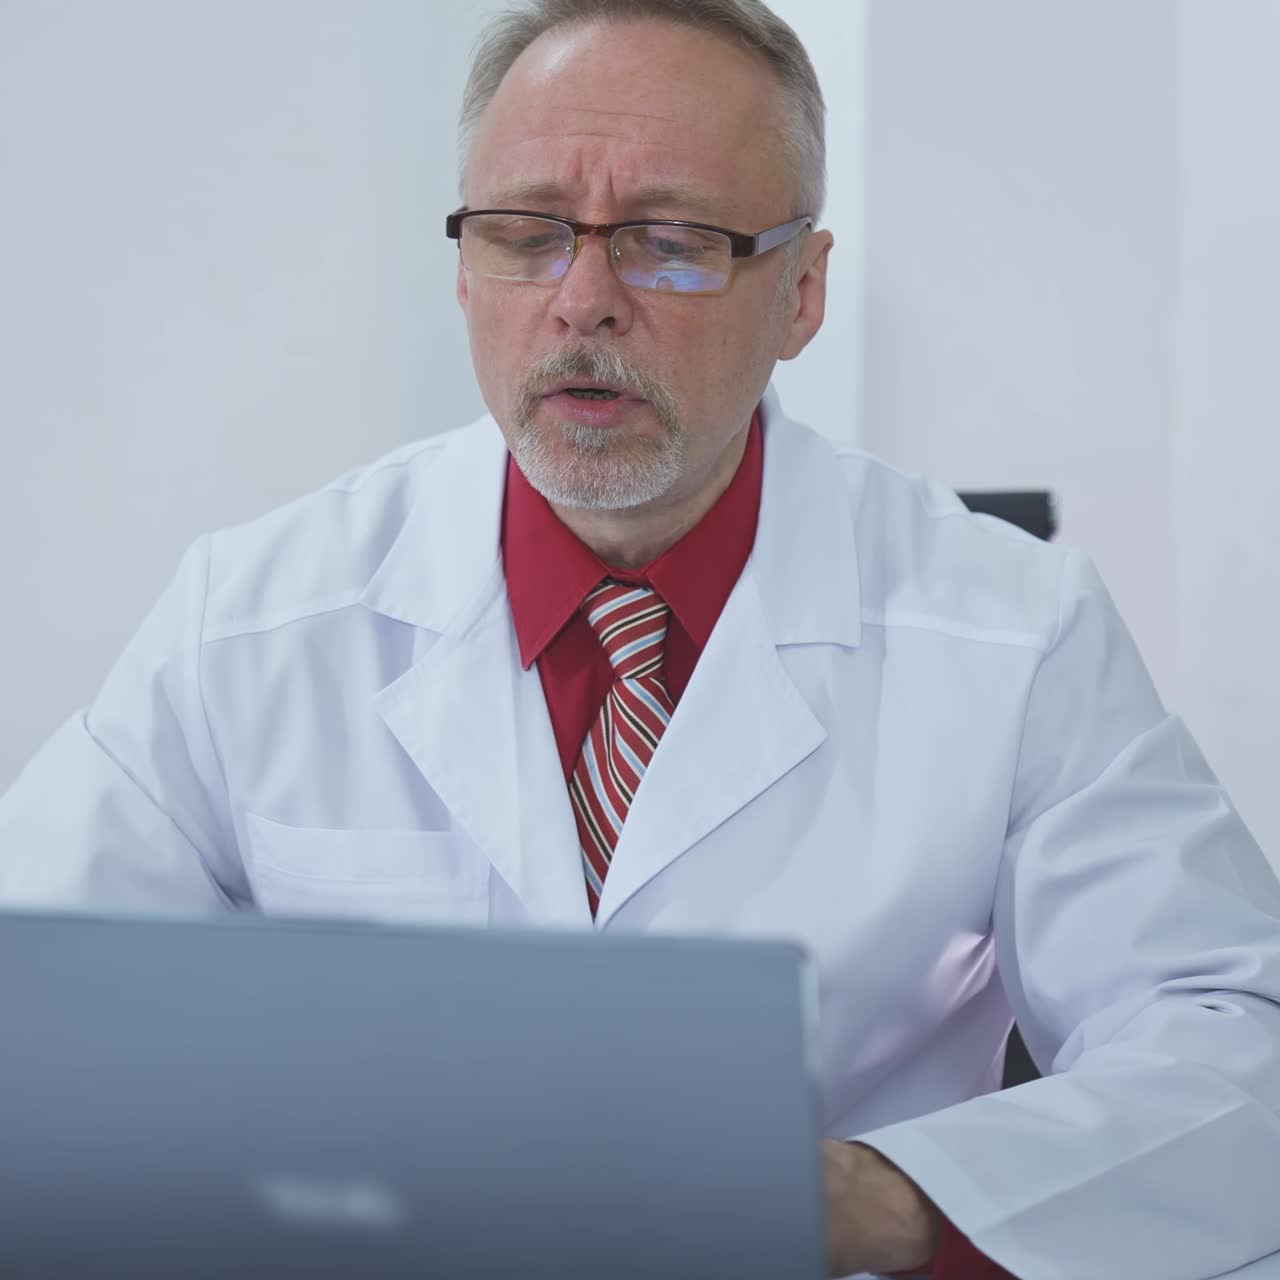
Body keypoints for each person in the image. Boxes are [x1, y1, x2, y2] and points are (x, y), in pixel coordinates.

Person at [3, 2, 1279, 1277]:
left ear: (801, 291)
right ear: (462, 269)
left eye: (668, 243)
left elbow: (1234, 1052)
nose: (583, 302)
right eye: (523, 234)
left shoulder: (1012, 627)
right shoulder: (259, 612)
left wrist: (868, 1197)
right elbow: (35, 1005)